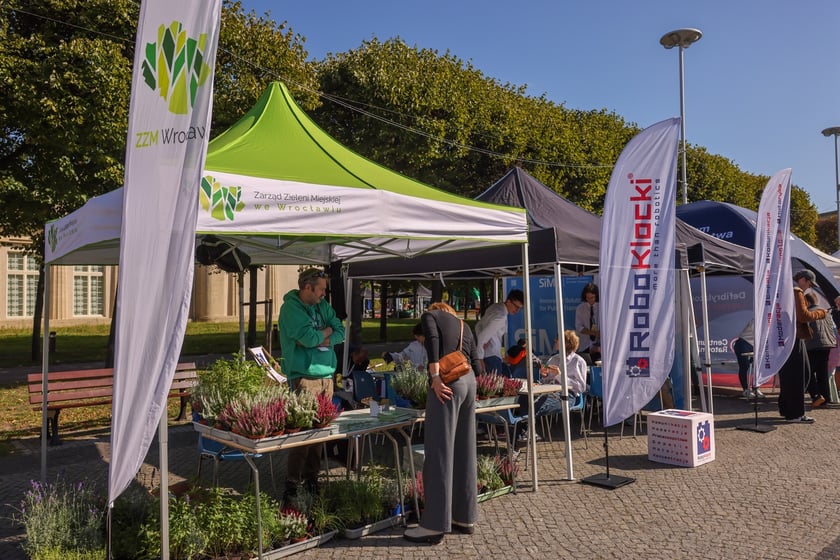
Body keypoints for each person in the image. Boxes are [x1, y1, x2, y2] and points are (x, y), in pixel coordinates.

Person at [404, 301, 481, 544]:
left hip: (448, 383)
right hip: (469, 382)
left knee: (438, 452)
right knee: (465, 451)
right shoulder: (463, 325)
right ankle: (465, 517)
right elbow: (476, 361)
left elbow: (433, 343)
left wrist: (435, 377)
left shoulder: (429, 316)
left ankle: (433, 525)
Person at [278, 268, 345, 496]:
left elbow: (340, 331)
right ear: (307, 288)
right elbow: (307, 339)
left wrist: (322, 334)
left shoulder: (321, 306)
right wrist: (324, 333)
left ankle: (311, 478)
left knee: (320, 431)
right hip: (304, 377)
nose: (324, 294)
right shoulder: (291, 309)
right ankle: (292, 482)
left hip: (327, 376)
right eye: (321, 290)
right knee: (303, 432)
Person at [777, 284, 826, 423]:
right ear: (803, 280)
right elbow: (803, 316)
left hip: (784, 337)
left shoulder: (780, 290)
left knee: (790, 375)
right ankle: (795, 413)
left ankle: (787, 409)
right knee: (799, 375)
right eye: (810, 283)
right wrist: (821, 313)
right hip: (793, 336)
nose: (810, 287)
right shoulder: (796, 291)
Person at [474, 289, 525, 375]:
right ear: (508, 301)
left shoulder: (494, 307)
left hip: (490, 355)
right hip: (491, 357)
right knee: (494, 387)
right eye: (516, 307)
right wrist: (480, 358)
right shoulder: (500, 317)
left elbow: (478, 326)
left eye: (520, 308)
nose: (517, 311)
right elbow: (482, 337)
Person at [804, 292, 836, 407]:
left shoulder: (809, 313)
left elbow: (807, 330)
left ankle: (816, 396)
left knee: (807, 372)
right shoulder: (825, 312)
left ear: (806, 302)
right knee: (822, 373)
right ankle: (825, 398)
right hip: (827, 344)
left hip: (813, 345)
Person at [733, 319, 763, 398]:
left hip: (754, 346)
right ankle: (746, 390)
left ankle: (756, 388)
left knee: (758, 367)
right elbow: (757, 334)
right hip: (743, 344)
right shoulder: (756, 319)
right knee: (745, 366)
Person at [574, 283, 601, 365]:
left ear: (596, 296)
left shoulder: (602, 307)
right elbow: (579, 327)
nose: (590, 300)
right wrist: (594, 333)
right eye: (588, 298)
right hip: (585, 345)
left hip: (599, 346)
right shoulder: (580, 308)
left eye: (592, 297)